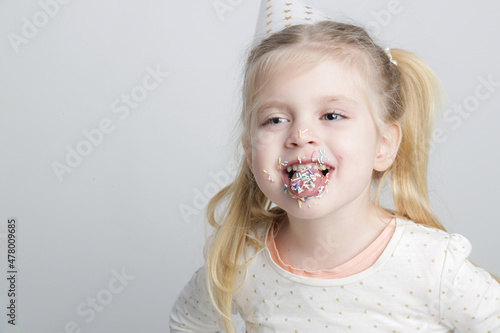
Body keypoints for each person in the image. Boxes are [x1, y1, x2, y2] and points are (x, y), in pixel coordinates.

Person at [170, 0, 500, 331]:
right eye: (275, 119)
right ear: (249, 151)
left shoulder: (430, 264)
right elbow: (189, 322)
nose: (301, 136)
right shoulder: (242, 259)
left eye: (331, 115)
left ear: (383, 145)